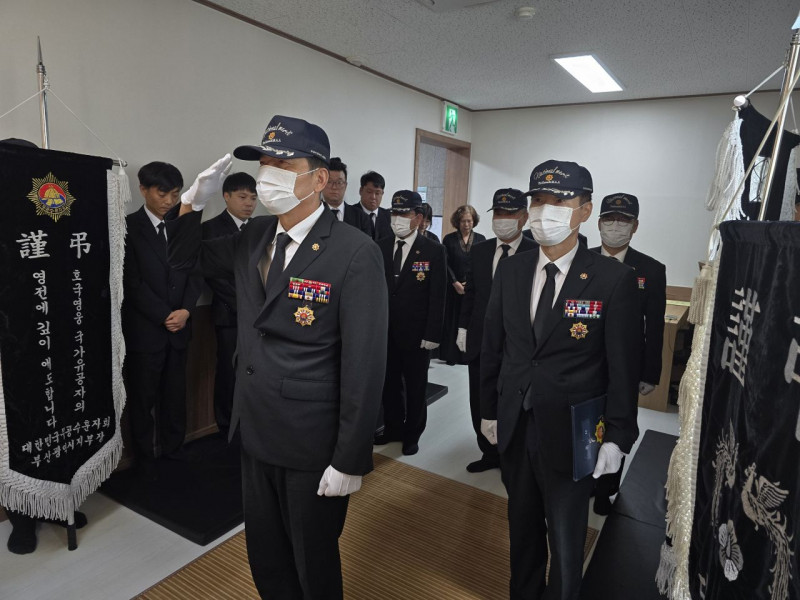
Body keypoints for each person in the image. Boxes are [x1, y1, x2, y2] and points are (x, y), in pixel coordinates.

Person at [167, 114, 387, 600]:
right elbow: (182, 259)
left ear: (320, 178)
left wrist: (351, 457)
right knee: (265, 555)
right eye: (264, 163)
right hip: (255, 427)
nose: (268, 174)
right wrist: (192, 203)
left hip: (312, 439)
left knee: (313, 559)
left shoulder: (355, 251)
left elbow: (365, 363)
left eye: (283, 164)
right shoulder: (255, 234)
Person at [480, 160, 640, 600]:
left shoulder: (613, 279)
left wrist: (618, 436)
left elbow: (622, 368)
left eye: (558, 200)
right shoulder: (512, 270)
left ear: (584, 210)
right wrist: (488, 411)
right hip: (516, 422)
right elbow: (494, 347)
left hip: (574, 432)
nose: (543, 210)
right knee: (521, 528)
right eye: (537, 200)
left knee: (566, 540)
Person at [589, 192, 666, 514]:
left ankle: (606, 489)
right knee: (585, 424)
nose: (615, 226)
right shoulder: (581, 260)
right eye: (609, 219)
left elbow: (655, 326)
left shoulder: (650, 269)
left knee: (618, 424)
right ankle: (584, 480)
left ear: (635, 226)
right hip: (583, 362)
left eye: (623, 220)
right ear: (598, 223)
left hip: (625, 366)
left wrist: (650, 372)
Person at [122, 162, 202, 470]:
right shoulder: (128, 227)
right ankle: (144, 458)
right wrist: (165, 315)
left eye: (175, 194)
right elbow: (132, 282)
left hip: (180, 326)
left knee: (174, 395)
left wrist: (186, 311)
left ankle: (174, 449)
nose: (170, 201)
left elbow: (196, 272)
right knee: (142, 398)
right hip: (146, 330)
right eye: (162, 193)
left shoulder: (185, 224)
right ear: (143, 189)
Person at [457, 189, 536, 473]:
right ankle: (488, 452)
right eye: (498, 213)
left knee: (514, 399)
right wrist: (462, 327)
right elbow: (471, 293)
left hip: (518, 345)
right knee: (481, 397)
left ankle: (512, 456)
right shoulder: (480, 250)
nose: (503, 219)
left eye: (510, 214)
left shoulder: (535, 252)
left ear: (524, 217)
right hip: (481, 339)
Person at [374, 191, 446, 455]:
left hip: (417, 334)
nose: (398, 219)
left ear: (418, 217)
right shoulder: (380, 246)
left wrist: (433, 333)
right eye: (394, 213)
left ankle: (412, 434)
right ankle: (393, 428)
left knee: (416, 386)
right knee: (389, 383)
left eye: (404, 214)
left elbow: (438, 295)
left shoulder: (433, 250)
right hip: (385, 331)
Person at [201, 172, 257, 435]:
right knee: (228, 371)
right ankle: (225, 425)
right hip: (229, 313)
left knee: (254, 371)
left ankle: (250, 422)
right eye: (243, 197)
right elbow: (216, 278)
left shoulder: (259, 229)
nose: (249, 203)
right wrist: (246, 304)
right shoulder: (210, 228)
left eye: (253, 198)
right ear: (227, 196)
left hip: (258, 316)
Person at [440, 205, 485, 365]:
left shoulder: (481, 239)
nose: (466, 224)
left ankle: (468, 355)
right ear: (457, 222)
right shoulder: (449, 239)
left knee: (469, 321)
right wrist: (455, 282)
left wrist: (470, 283)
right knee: (453, 320)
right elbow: (445, 263)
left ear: (474, 221)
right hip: (454, 287)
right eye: (463, 221)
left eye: (469, 221)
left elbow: (482, 264)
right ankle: (451, 355)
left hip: (473, 288)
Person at [322, 157, 371, 235]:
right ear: (322, 184)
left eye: (339, 182)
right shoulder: (312, 214)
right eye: (329, 181)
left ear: (345, 185)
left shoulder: (361, 217)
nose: (334, 187)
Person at [353, 171, 392, 240]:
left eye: (377, 193)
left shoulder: (389, 217)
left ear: (382, 193)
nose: (373, 197)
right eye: (369, 192)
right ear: (361, 191)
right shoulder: (350, 213)